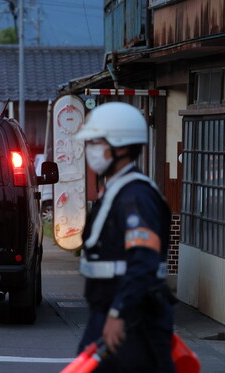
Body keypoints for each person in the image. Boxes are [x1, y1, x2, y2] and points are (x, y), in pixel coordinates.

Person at [74, 102, 175, 372]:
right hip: (111, 313)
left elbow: (143, 260)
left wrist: (118, 313)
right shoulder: (118, 191)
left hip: (133, 320)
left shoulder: (136, 198)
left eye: (95, 142)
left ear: (120, 146)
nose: (90, 150)